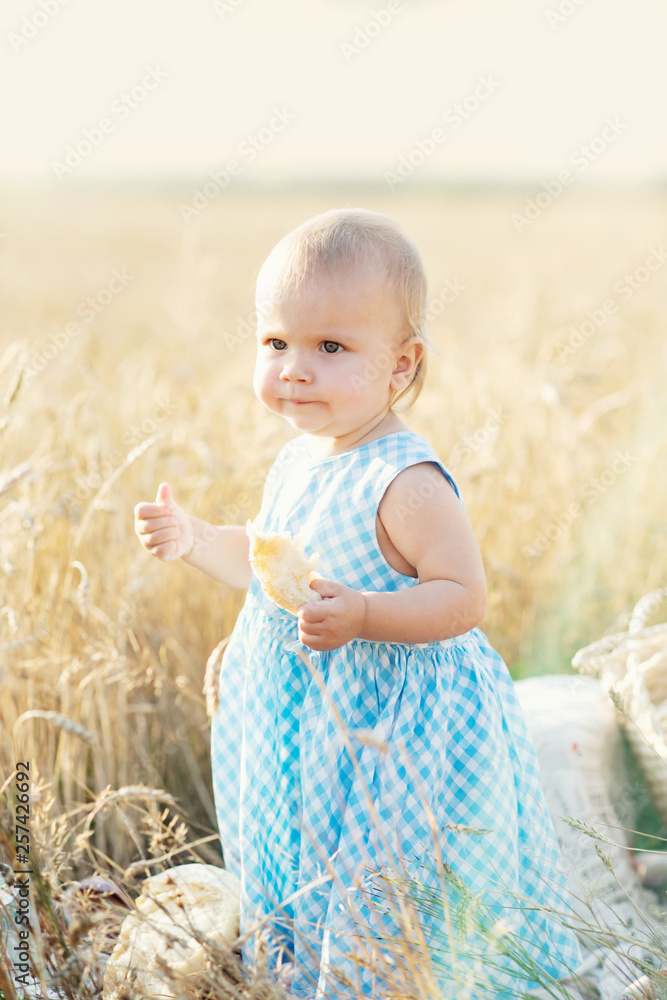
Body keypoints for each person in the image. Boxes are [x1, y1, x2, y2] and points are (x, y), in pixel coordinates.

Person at [134, 208, 584, 999]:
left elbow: (462, 597)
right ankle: (313, 972)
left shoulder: (405, 482)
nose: (295, 369)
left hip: (398, 734)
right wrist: (197, 538)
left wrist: (368, 616)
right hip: (306, 722)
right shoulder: (298, 459)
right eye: (276, 343)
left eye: (330, 348)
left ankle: (400, 978)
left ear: (400, 366)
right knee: (309, 860)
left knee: (389, 880)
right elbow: (272, 561)